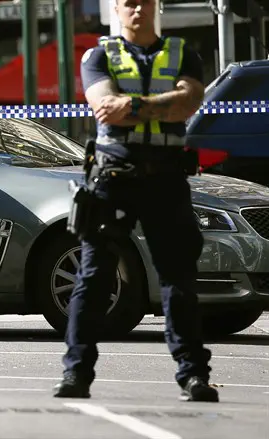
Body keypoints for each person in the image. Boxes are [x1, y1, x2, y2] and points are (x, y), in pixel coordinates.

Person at [54, 0, 219, 402]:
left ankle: (193, 376)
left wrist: (133, 105)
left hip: (166, 178)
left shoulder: (184, 53)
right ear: (116, 8)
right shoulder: (99, 55)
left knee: (178, 281)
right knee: (94, 277)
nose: (137, 8)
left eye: (144, 1)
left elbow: (190, 101)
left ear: (156, 6)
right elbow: (105, 110)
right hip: (114, 179)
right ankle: (76, 374)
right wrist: (163, 105)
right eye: (128, 2)